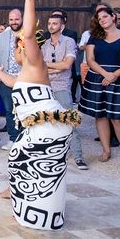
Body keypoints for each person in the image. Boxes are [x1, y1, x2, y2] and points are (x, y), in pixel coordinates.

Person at [0, 0, 80, 230]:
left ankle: (32, 209)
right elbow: (14, 84)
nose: (18, 50)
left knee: (21, 158)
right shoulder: (26, 73)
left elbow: (28, 33)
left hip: (49, 126)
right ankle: (28, 206)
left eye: (19, 47)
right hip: (45, 126)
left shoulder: (35, 60)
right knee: (24, 161)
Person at [78, 6, 120, 163]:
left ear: (113, 17)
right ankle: (106, 150)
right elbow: (90, 60)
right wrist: (105, 74)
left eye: (105, 17)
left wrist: (114, 75)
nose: (102, 20)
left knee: (118, 118)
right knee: (100, 115)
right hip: (98, 78)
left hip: (119, 79)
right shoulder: (94, 37)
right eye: (99, 19)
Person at [42, 14, 87, 169]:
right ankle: (54, 154)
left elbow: (67, 65)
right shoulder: (44, 44)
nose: (51, 26)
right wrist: (54, 66)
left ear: (61, 26)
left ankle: (79, 157)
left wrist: (49, 66)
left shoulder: (69, 41)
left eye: (54, 23)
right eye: (49, 23)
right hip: (46, 87)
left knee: (69, 121)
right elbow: (40, 66)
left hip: (62, 87)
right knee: (48, 122)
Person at [0, 8, 24, 151]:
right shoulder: (2, 36)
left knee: (25, 110)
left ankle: (25, 139)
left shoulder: (28, 35)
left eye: (16, 19)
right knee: (10, 111)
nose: (14, 22)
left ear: (22, 19)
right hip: (5, 80)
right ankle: (13, 139)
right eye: (11, 19)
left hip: (24, 80)